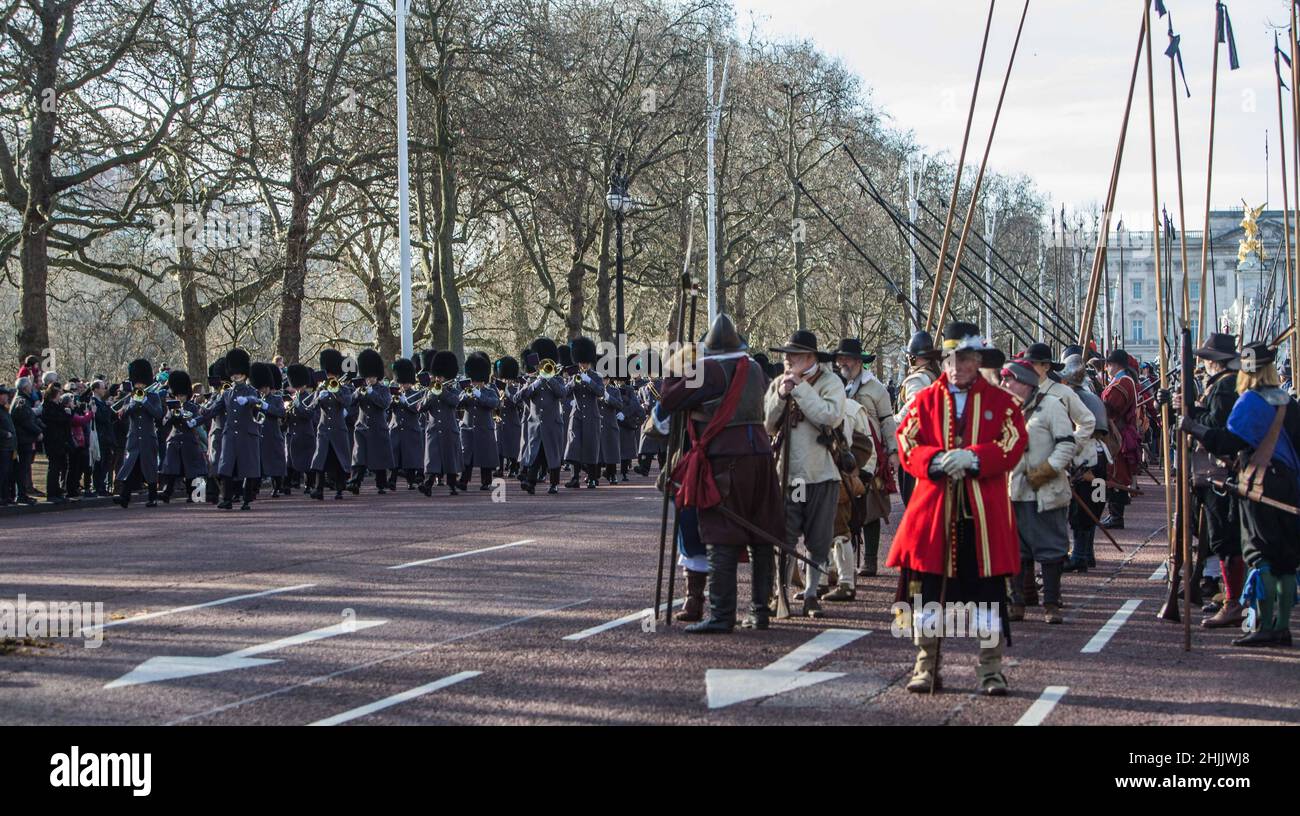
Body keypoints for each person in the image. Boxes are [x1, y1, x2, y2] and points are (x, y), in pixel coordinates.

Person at [889, 322, 1028, 695]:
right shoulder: (925, 400)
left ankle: (991, 670)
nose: (955, 365)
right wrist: (935, 460)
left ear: (977, 360)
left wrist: (974, 458)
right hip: (934, 513)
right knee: (927, 596)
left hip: (984, 516)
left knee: (988, 596)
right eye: (949, 358)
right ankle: (926, 665)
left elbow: (1013, 444)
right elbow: (906, 442)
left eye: (963, 358)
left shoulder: (1003, 403)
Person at [655, 314, 780, 634]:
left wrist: (672, 368)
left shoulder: (709, 369)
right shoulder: (754, 368)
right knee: (760, 533)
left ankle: (723, 615)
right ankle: (759, 611)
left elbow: (670, 399)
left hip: (727, 459)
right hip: (762, 457)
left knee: (721, 533)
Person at [1182, 341, 1299, 647]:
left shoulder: (1250, 401)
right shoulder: (1287, 400)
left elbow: (1227, 442)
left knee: (1261, 554)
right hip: (1288, 484)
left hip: (1260, 482)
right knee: (1285, 559)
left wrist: (1192, 426)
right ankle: (1282, 625)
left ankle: (1266, 625)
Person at [764, 329, 846, 620]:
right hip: (791, 477)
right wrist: (782, 394)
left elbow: (829, 416)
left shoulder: (830, 382)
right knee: (784, 536)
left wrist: (799, 388)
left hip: (821, 474)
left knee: (818, 539)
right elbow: (768, 424)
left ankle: (811, 593)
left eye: (794, 355)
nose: (787, 360)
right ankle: (780, 592)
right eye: (786, 355)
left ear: (810, 357)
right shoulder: (778, 383)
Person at [1001, 361, 1076, 625]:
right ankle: (1016, 602)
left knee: (1052, 549)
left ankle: (1052, 604)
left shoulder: (1053, 406)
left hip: (1046, 490)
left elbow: (1067, 445)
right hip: (1015, 490)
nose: (1005, 385)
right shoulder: (1005, 410)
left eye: (1009, 380)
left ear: (1025, 382)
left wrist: (1046, 471)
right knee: (1015, 550)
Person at [1183, 333, 1245, 627]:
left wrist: (1191, 419)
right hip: (1211, 472)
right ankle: (1226, 593)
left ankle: (1234, 600)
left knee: (1225, 536)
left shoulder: (1224, 387)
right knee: (1213, 534)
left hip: (1220, 470)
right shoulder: (1221, 385)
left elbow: (1215, 426)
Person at [834, 337, 896, 579]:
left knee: (871, 507)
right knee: (846, 505)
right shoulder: (841, 386)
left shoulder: (876, 388)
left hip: (872, 454)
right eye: (840, 359)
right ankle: (842, 565)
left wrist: (892, 452)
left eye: (846, 359)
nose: (842, 363)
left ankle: (870, 561)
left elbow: (887, 421)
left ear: (859, 362)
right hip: (846, 454)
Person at [1058, 354, 1109, 573]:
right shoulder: (1093, 396)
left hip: (1084, 458)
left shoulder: (1071, 398)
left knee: (1082, 509)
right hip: (1101, 457)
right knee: (1094, 506)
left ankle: (1080, 554)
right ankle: (1087, 553)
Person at [207, 348, 265, 510]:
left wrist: (248, 400)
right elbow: (214, 410)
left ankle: (246, 499)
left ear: (245, 374)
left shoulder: (252, 391)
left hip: (247, 434)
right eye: (233, 373)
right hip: (230, 434)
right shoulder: (227, 394)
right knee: (225, 468)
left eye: (238, 373)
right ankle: (226, 498)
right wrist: (199, 415)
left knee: (247, 469)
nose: (235, 376)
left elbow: (258, 403)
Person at [894, 330, 943, 505]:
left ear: (913, 357)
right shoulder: (935, 376)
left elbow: (915, 406)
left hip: (916, 443)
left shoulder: (916, 379)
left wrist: (895, 421)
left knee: (913, 500)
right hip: (934, 441)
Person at [518, 339, 568, 495]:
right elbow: (519, 397)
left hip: (552, 423)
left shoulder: (557, 379)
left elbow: (563, 393)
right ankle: (530, 482)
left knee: (552, 455)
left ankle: (553, 484)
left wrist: (550, 379)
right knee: (535, 453)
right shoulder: (532, 381)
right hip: (535, 424)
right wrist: (535, 383)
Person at [112, 359, 164, 508]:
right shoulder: (130, 397)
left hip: (148, 437)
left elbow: (158, 414)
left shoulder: (153, 397)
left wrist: (145, 401)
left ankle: (152, 497)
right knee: (130, 468)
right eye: (137, 384)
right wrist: (134, 402)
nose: (139, 386)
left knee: (150, 468)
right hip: (134, 438)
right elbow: (123, 413)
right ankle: (124, 497)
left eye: (141, 384)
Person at [1100, 349, 1140, 529]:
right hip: (1115, 431)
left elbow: (1110, 408)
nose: (1106, 368)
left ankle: (1116, 516)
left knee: (1115, 475)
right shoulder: (1122, 381)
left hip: (1117, 434)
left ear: (1113, 364)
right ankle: (1113, 514)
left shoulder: (1123, 383)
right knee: (1112, 473)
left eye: (1108, 365)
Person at [348, 349, 396, 495]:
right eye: (367, 377)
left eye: (372, 377)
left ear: (377, 376)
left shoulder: (383, 390)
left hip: (377, 427)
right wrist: (356, 393)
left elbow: (384, 404)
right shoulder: (361, 389)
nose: (369, 380)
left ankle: (381, 484)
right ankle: (355, 482)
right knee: (359, 457)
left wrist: (371, 393)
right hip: (362, 427)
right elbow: (350, 402)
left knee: (379, 457)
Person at [309, 349, 354, 501]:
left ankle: (339, 490)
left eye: (332, 375)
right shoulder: (320, 389)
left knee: (338, 460)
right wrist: (318, 398)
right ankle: (318, 489)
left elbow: (348, 402)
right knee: (320, 460)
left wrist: (334, 391)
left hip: (338, 428)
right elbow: (312, 407)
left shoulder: (343, 388)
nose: (330, 378)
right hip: (323, 429)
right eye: (328, 375)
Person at [418, 350, 463, 496]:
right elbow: (421, 407)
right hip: (433, 429)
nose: (438, 379)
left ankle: (452, 485)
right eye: (436, 376)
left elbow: (455, 402)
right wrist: (431, 395)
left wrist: (442, 392)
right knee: (432, 459)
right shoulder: (430, 391)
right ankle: (428, 485)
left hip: (449, 428)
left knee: (450, 460)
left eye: (440, 377)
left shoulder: (453, 389)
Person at [159, 369, 206, 502]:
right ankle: (167, 493)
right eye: (178, 395)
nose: (180, 398)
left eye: (182, 395)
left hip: (188, 440)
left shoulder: (192, 407)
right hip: (174, 440)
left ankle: (196, 495)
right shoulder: (171, 407)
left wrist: (189, 419)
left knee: (192, 470)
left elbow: (198, 419)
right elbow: (165, 422)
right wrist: (172, 415)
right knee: (170, 468)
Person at [564, 337, 603, 489]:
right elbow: (564, 392)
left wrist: (589, 381)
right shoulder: (574, 376)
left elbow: (600, 392)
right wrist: (573, 382)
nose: (582, 365)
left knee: (591, 448)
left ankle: (592, 478)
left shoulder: (596, 377)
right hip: (577, 416)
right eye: (581, 362)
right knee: (573, 447)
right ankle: (574, 478)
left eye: (585, 362)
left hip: (592, 416)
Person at [458, 352, 500, 491]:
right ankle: (463, 480)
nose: (474, 382)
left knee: (485, 456)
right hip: (468, 426)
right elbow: (458, 403)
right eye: (473, 380)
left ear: (482, 378)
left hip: (484, 427)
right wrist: (466, 395)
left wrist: (479, 395)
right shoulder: (466, 390)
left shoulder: (490, 390)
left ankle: (486, 481)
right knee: (467, 456)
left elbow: (494, 404)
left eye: (476, 380)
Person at [388, 358, 425, 490]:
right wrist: (392, 402)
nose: (405, 385)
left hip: (410, 428)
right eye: (403, 383)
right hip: (396, 428)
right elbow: (387, 409)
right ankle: (392, 480)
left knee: (410, 457)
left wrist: (405, 402)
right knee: (395, 456)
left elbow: (417, 410)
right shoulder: (394, 393)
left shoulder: (418, 394)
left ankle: (410, 481)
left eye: (407, 383)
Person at [285, 364, 320, 493]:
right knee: (289, 461)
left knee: (307, 462)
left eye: (299, 386)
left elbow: (309, 414)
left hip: (305, 433)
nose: (298, 388)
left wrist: (298, 405)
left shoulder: (311, 397)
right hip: (292, 434)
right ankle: (286, 486)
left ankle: (309, 485)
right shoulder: (291, 398)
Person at [11, 377, 42, 501]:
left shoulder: (24, 400)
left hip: (25, 438)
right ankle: (21, 495)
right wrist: (37, 431)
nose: (31, 388)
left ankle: (22, 494)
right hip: (23, 440)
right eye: (29, 386)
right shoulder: (22, 401)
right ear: (25, 388)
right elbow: (26, 421)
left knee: (24, 468)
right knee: (22, 468)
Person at [0, 385, 16, 505]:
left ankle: (6, 496)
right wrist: (6, 434)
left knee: (8, 473)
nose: (7, 397)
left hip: (9, 446)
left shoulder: (4, 410)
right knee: (2, 472)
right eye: (5, 395)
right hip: (3, 446)